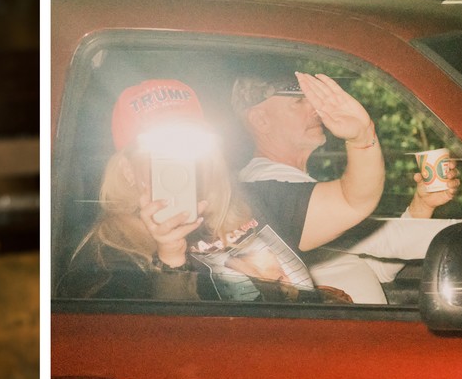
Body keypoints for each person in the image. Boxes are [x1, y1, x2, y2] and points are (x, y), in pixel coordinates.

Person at [56, 79, 338, 304]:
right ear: (128, 170)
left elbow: (352, 200)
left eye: (187, 146)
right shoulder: (106, 258)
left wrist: (361, 136)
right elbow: (154, 351)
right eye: (159, 150)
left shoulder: (239, 204)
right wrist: (171, 257)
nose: (178, 162)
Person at [232, 72, 461, 303]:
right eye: (299, 101)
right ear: (261, 120)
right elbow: (387, 241)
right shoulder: (265, 187)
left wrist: (420, 207)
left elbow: (377, 269)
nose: (316, 109)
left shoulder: (295, 184)